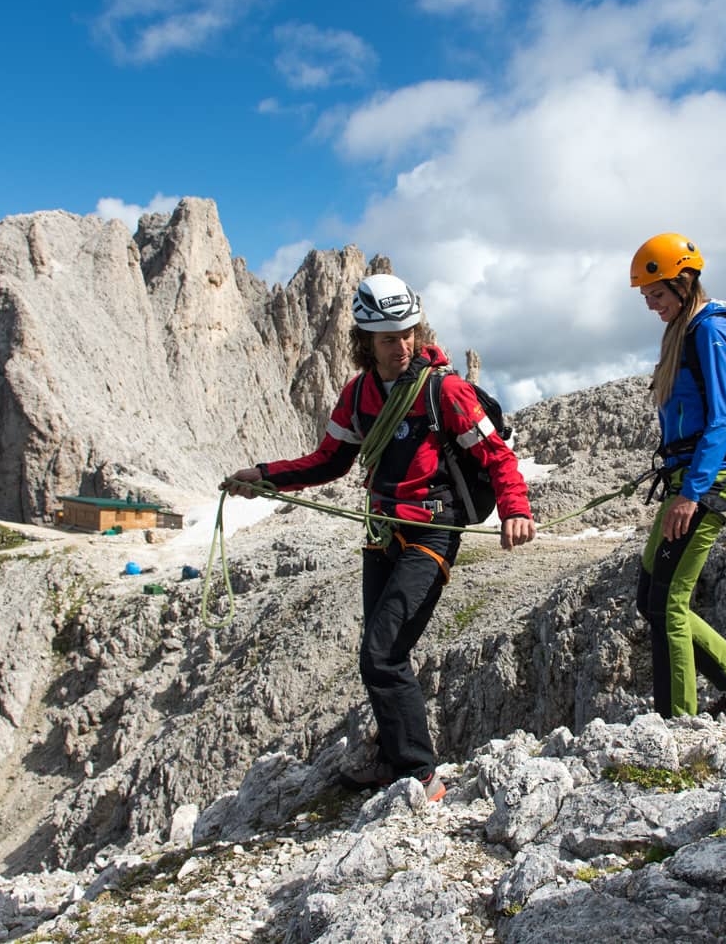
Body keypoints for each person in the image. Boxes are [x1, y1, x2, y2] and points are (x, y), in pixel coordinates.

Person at [224, 273, 536, 801]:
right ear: (365, 342)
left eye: (408, 332)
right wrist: (266, 476)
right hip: (381, 534)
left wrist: (515, 510)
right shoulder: (360, 393)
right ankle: (395, 756)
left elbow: (497, 455)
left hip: (431, 533)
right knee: (381, 652)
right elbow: (329, 460)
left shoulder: (447, 391)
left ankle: (420, 777)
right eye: (389, 337)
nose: (403, 345)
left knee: (382, 653)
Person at [629, 232, 726, 718]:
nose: (651, 306)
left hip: (703, 485)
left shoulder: (711, 331)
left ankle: (677, 722)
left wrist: (693, 492)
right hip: (685, 482)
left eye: (656, 294)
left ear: (683, 283)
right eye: (646, 297)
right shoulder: (685, 329)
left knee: (668, 605)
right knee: (650, 596)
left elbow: (722, 418)